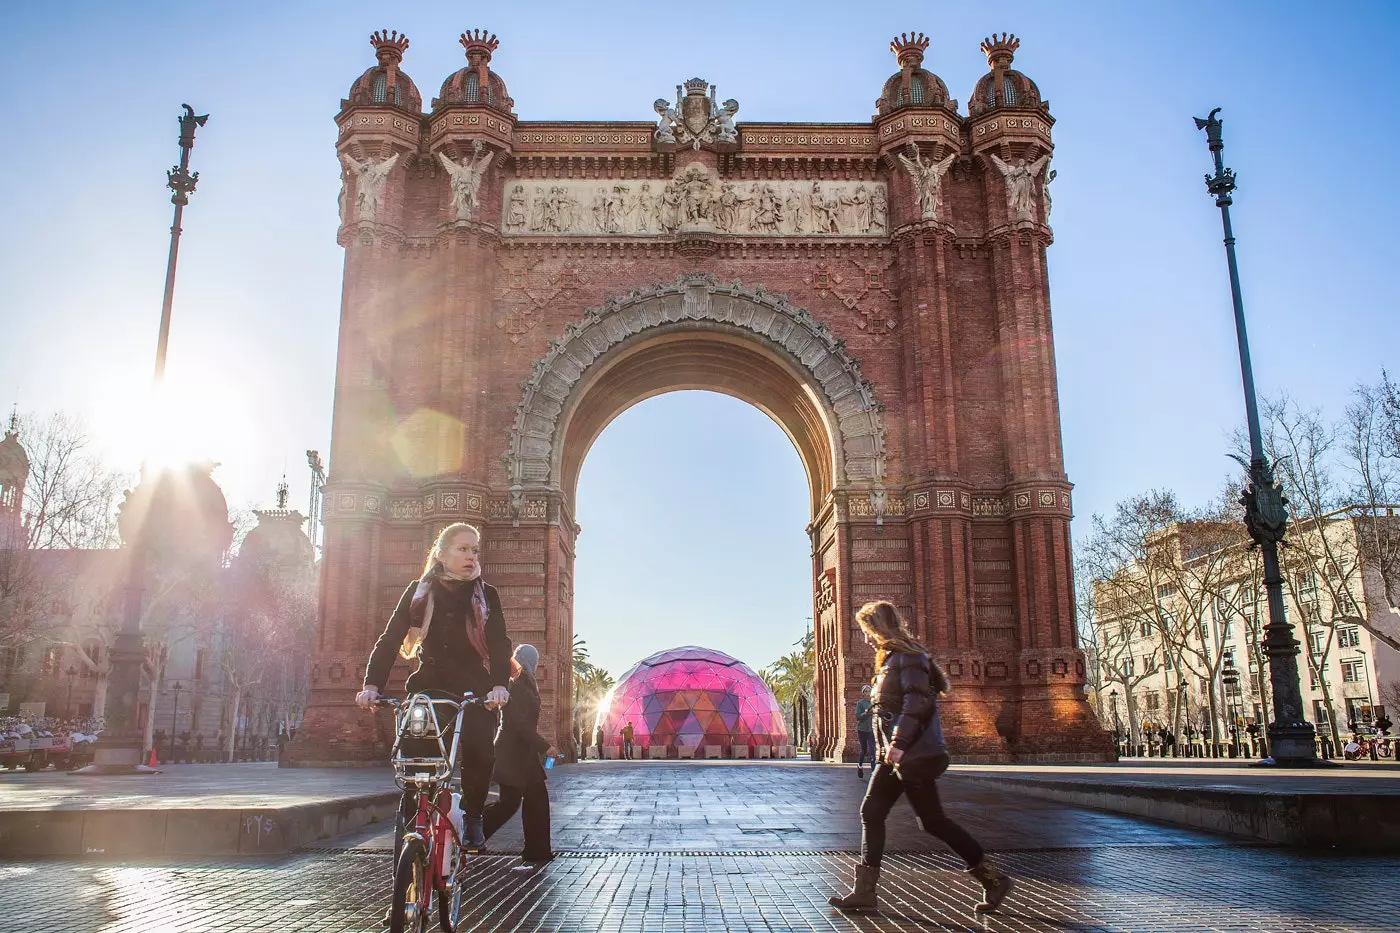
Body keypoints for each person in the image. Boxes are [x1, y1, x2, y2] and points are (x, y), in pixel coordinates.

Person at [829, 601, 1013, 915]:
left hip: (912, 754)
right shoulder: (892, 659)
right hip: (896, 756)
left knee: (932, 821)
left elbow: (917, 702)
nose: (865, 639)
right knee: (872, 812)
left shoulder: (909, 658)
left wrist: (899, 742)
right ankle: (864, 893)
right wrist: (886, 745)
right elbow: (892, 709)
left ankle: (993, 879)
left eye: (866, 632)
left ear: (880, 627)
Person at [356, 522, 512, 850]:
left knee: (480, 747)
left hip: (474, 690)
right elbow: (391, 638)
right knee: (416, 749)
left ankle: (472, 816)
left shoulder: (487, 595)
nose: (471, 556)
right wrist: (371, 683)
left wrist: (499, 685)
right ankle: (416, 810)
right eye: (463, 549)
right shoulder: (419, 591)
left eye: (474, 550)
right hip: (428, 685)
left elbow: (500, 644)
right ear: (442, 554)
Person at [483, 644, 557, 863]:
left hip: (522, 754)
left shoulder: (525, 683)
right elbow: (520, 725)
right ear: (526, 661)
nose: (536, 664)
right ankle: (471, 834)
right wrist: (545, 746)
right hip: (511, 753)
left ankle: (537, 851)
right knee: (510, 803)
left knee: (533, 800)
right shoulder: (515, 685)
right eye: (534, 660)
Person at [855, 686, 875, 779]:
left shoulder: (874, 702)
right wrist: (865, 713)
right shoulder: (860, 703)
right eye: (866, 691)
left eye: (869, 691)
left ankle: (873, 772)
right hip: (862, 729)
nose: (867, 693)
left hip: (871, 729)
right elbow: (858, 717)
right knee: (864, 750)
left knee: (872, 750)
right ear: (863, 693)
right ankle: (859, 766)